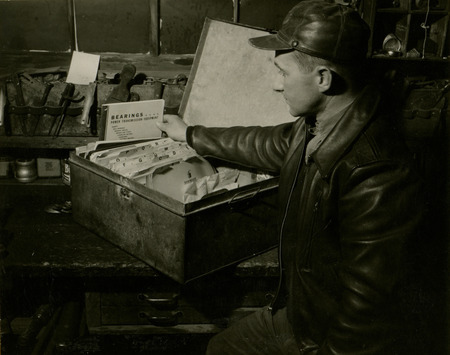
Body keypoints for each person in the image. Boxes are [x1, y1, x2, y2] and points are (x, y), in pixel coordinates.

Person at [157, 0, 424, 353]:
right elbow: (268, 143)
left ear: (324, 79)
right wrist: (191, 134)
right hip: (302, 312)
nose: (275, 85)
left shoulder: (377, 172)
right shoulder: (320, 123)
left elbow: (367, 311)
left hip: (323, 337)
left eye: (282, 73)